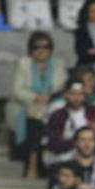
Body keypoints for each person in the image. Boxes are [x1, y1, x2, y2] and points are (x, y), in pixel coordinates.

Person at [8, 32, 67, 179]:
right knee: (34, 119)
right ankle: (33, 162)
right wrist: (36, 97)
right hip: (28, 104)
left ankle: (33, 164)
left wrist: (49, 97)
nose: (41, 50)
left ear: (50, 49)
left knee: (43, 118)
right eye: (36, 47)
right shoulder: (24, 64)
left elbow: (61, 87)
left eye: (45, 47)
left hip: (51, 104)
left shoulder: (58, 64)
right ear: (31, 49)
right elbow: (17, 90)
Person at [45, 80, 95, 166]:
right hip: (65, 156)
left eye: (80, 94)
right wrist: (77, 142)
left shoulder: (94, 112)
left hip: (90, 154)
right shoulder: (58, 116)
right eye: (72, 94)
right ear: (65, 94)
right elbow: (53, 143)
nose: (76, 98)